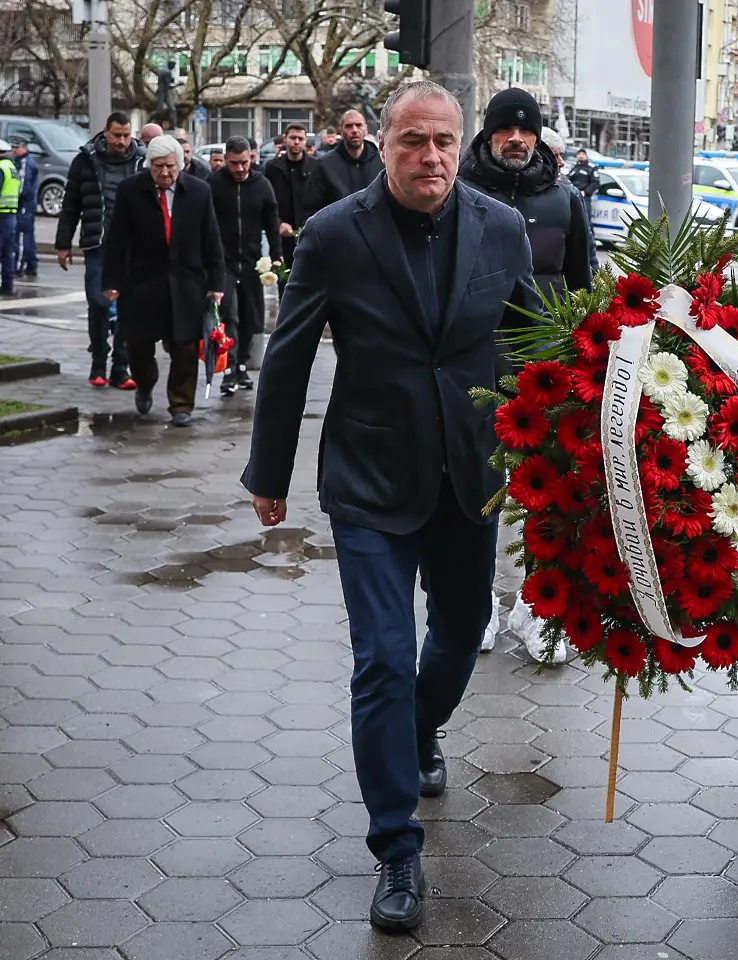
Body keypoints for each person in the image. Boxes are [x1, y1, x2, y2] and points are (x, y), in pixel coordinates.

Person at [242, 80, 543, 933]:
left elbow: (530, 350)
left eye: (445, 140)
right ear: (384, 145)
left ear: (464, 144)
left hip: (468, 473)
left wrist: (570, 456)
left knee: (453, 638)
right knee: (382, 655)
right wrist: (270, 470)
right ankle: (395, 846)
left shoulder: (502, 227)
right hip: (369, 479)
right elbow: (290, 355)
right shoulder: (337, 235)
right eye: (414, 140)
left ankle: (418, 732)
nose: (432, 157)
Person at [101, 135, 226, 428]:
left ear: (181, 165)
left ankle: (181, 404)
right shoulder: (131, 191)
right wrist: (112, 281)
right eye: (158, 167)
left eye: (170, 166)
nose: (165, 173)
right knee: (138, 345)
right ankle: (145, 384)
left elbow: (211, 239)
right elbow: (117, 239)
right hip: (143, 282)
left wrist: (216, 283)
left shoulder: (199, 191)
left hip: (186, 282)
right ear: (149, 166)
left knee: (184, 345)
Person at [458, 88, 591, 298]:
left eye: (526, 130)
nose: (516, 138)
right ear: (489, 135)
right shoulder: (458, 194)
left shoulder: (565, 200)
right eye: (505, 129)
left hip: (547, 328)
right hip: (478, 330)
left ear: (537, 139)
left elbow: (581, 285)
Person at [55, 111, 147, 388]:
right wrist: (63, 243)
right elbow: (71, 204)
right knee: (99, 303)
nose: (122, 141)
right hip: (98, 244)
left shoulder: (142, 161)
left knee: (129, 307)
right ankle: (98, 362)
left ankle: (121, 366)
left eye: (126, 135)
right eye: (117, 135)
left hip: (133, 247)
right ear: (105, 132)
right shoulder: (85, 161)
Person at [209, 136, 281, 396]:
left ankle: (242, 364)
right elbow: (206, 223)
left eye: (244, 162)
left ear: (251, 158)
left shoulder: (262, 185)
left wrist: (276, 254)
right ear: (226, 159)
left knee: (252, 315)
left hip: (252, 261)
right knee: (229, 313)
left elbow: (271, 222)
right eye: (233, 163)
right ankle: (228, 368)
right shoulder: (214, 185)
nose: (239, 169)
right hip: (223, 260)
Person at [262, 123, 317, 300]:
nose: (296, 142)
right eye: (292, 138)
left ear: (305, 141)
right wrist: (278, 224)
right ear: (285, 139)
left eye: (300, 139)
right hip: (282, 236)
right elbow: (267, 203)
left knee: (310, 282)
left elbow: (321, 200)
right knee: (284, 283)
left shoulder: (315, 167)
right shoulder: (272, 167)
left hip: (309, 233)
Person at [541, 126, 599, 277]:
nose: (561, 162)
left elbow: (587, 245)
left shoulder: (570, 191)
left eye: (562, 155)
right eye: (555, 155)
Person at [303, 110, 382, 220]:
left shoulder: (382, 161)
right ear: (341, 131)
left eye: (358, 125)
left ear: (366, 129)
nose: (354, 130)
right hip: (338, 232)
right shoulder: (325, 165)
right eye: (349, 126)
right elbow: (311, 207)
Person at [11, 138, 39, 278]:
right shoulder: (26, 162)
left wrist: (15, 201)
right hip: (28, 206)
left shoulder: (24, 163)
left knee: (21, 236)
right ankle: (31, 264)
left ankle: (18, 266)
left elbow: (22, 187)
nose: (13, 150)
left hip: (23, 206)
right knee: (28, 235)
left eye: (16, 147)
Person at [0, 140, 18, 295]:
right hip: (11, 216)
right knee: (8, 253)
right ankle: (7, 285)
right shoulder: (11, 167)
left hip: (1, 216)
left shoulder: (0, 168)